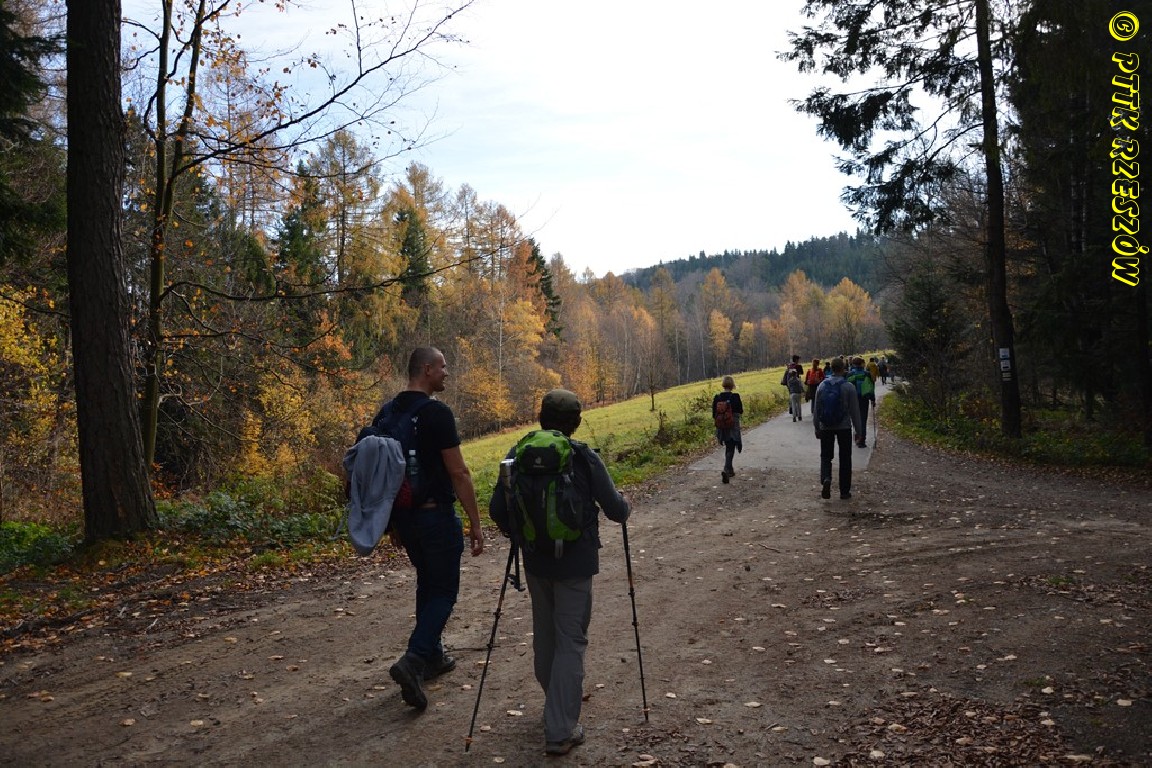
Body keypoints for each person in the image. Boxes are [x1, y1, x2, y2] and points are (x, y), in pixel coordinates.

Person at [489, 389, 630, 756]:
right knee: (571, 640)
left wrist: (520, 534)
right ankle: (561, 730)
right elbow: (615, 510)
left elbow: (497, 509)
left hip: (536, 561)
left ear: (541, 418)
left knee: (546, 635)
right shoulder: (583, 456)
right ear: (576, 422)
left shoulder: (517, 453)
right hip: (576, 563)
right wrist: (625, 505)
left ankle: (556, 705)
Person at [380, 347, 485, 712]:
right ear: (426, 370)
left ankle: (434, 656)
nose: (446, 372)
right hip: (436, 517)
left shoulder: (388, 412)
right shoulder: (436, 413)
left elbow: (384, 475)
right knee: (443, 591)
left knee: (427, 583)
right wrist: (475, 522)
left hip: (406, 521)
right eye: (442, 366)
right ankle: (414, 660)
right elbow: (459, 472)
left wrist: (392, 522)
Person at [813, 357, 863, 500]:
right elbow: (855, 411)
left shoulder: (822, 386)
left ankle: (826, 478)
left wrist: (817, 427)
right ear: (843, 369)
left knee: (826, 456)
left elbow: (817, 409)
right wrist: (858, 431)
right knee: (845, 458)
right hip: (844, 427)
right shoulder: (848, 387)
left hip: (826, 426)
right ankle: (844, 491)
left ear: (831, 369)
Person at [713, 375, 744, 482]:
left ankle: (730, 470)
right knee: (731, 446)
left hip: (722, 426)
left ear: (723, 385)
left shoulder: (717, 398)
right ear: (732, 385)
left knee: (728, 445)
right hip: (732, 424)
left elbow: (714, 414)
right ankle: (726, 469)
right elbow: (740, 410)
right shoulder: (735, 396)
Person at [846, 356, 876, 447]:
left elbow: (846, 388)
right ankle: (862, 440)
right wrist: (873, 399)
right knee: (863, 419)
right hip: (864, 399)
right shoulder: (867, 374)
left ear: (853, 364)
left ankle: (857, 437)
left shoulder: (850, 374)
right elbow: (871, 387)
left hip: (853, 400)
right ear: (862, 363)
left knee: (855, 419)